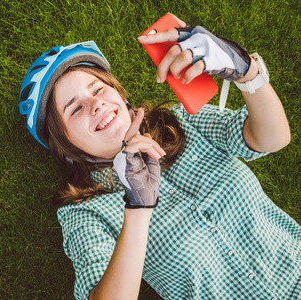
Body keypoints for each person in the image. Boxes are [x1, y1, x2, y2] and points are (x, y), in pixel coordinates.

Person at [19, 14, 300, 300]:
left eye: (99, 89)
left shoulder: (181, 120)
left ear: (120, 94)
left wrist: (246, 72)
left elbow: (273, 139)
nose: (96, 104)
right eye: (75, 109)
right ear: (64, 144)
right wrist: (138, 207)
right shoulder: (84, 211)